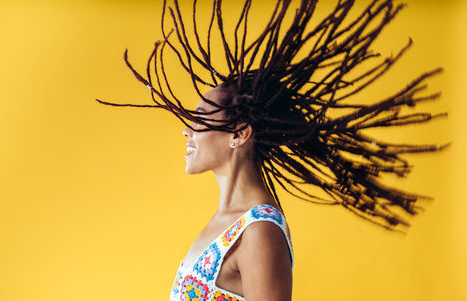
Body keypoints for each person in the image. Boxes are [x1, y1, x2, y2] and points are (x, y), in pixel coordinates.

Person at [97, 0, 446, 299]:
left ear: (239, 134)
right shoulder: (225, 223)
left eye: (200, 118)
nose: (187, 131)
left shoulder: (260, 231)